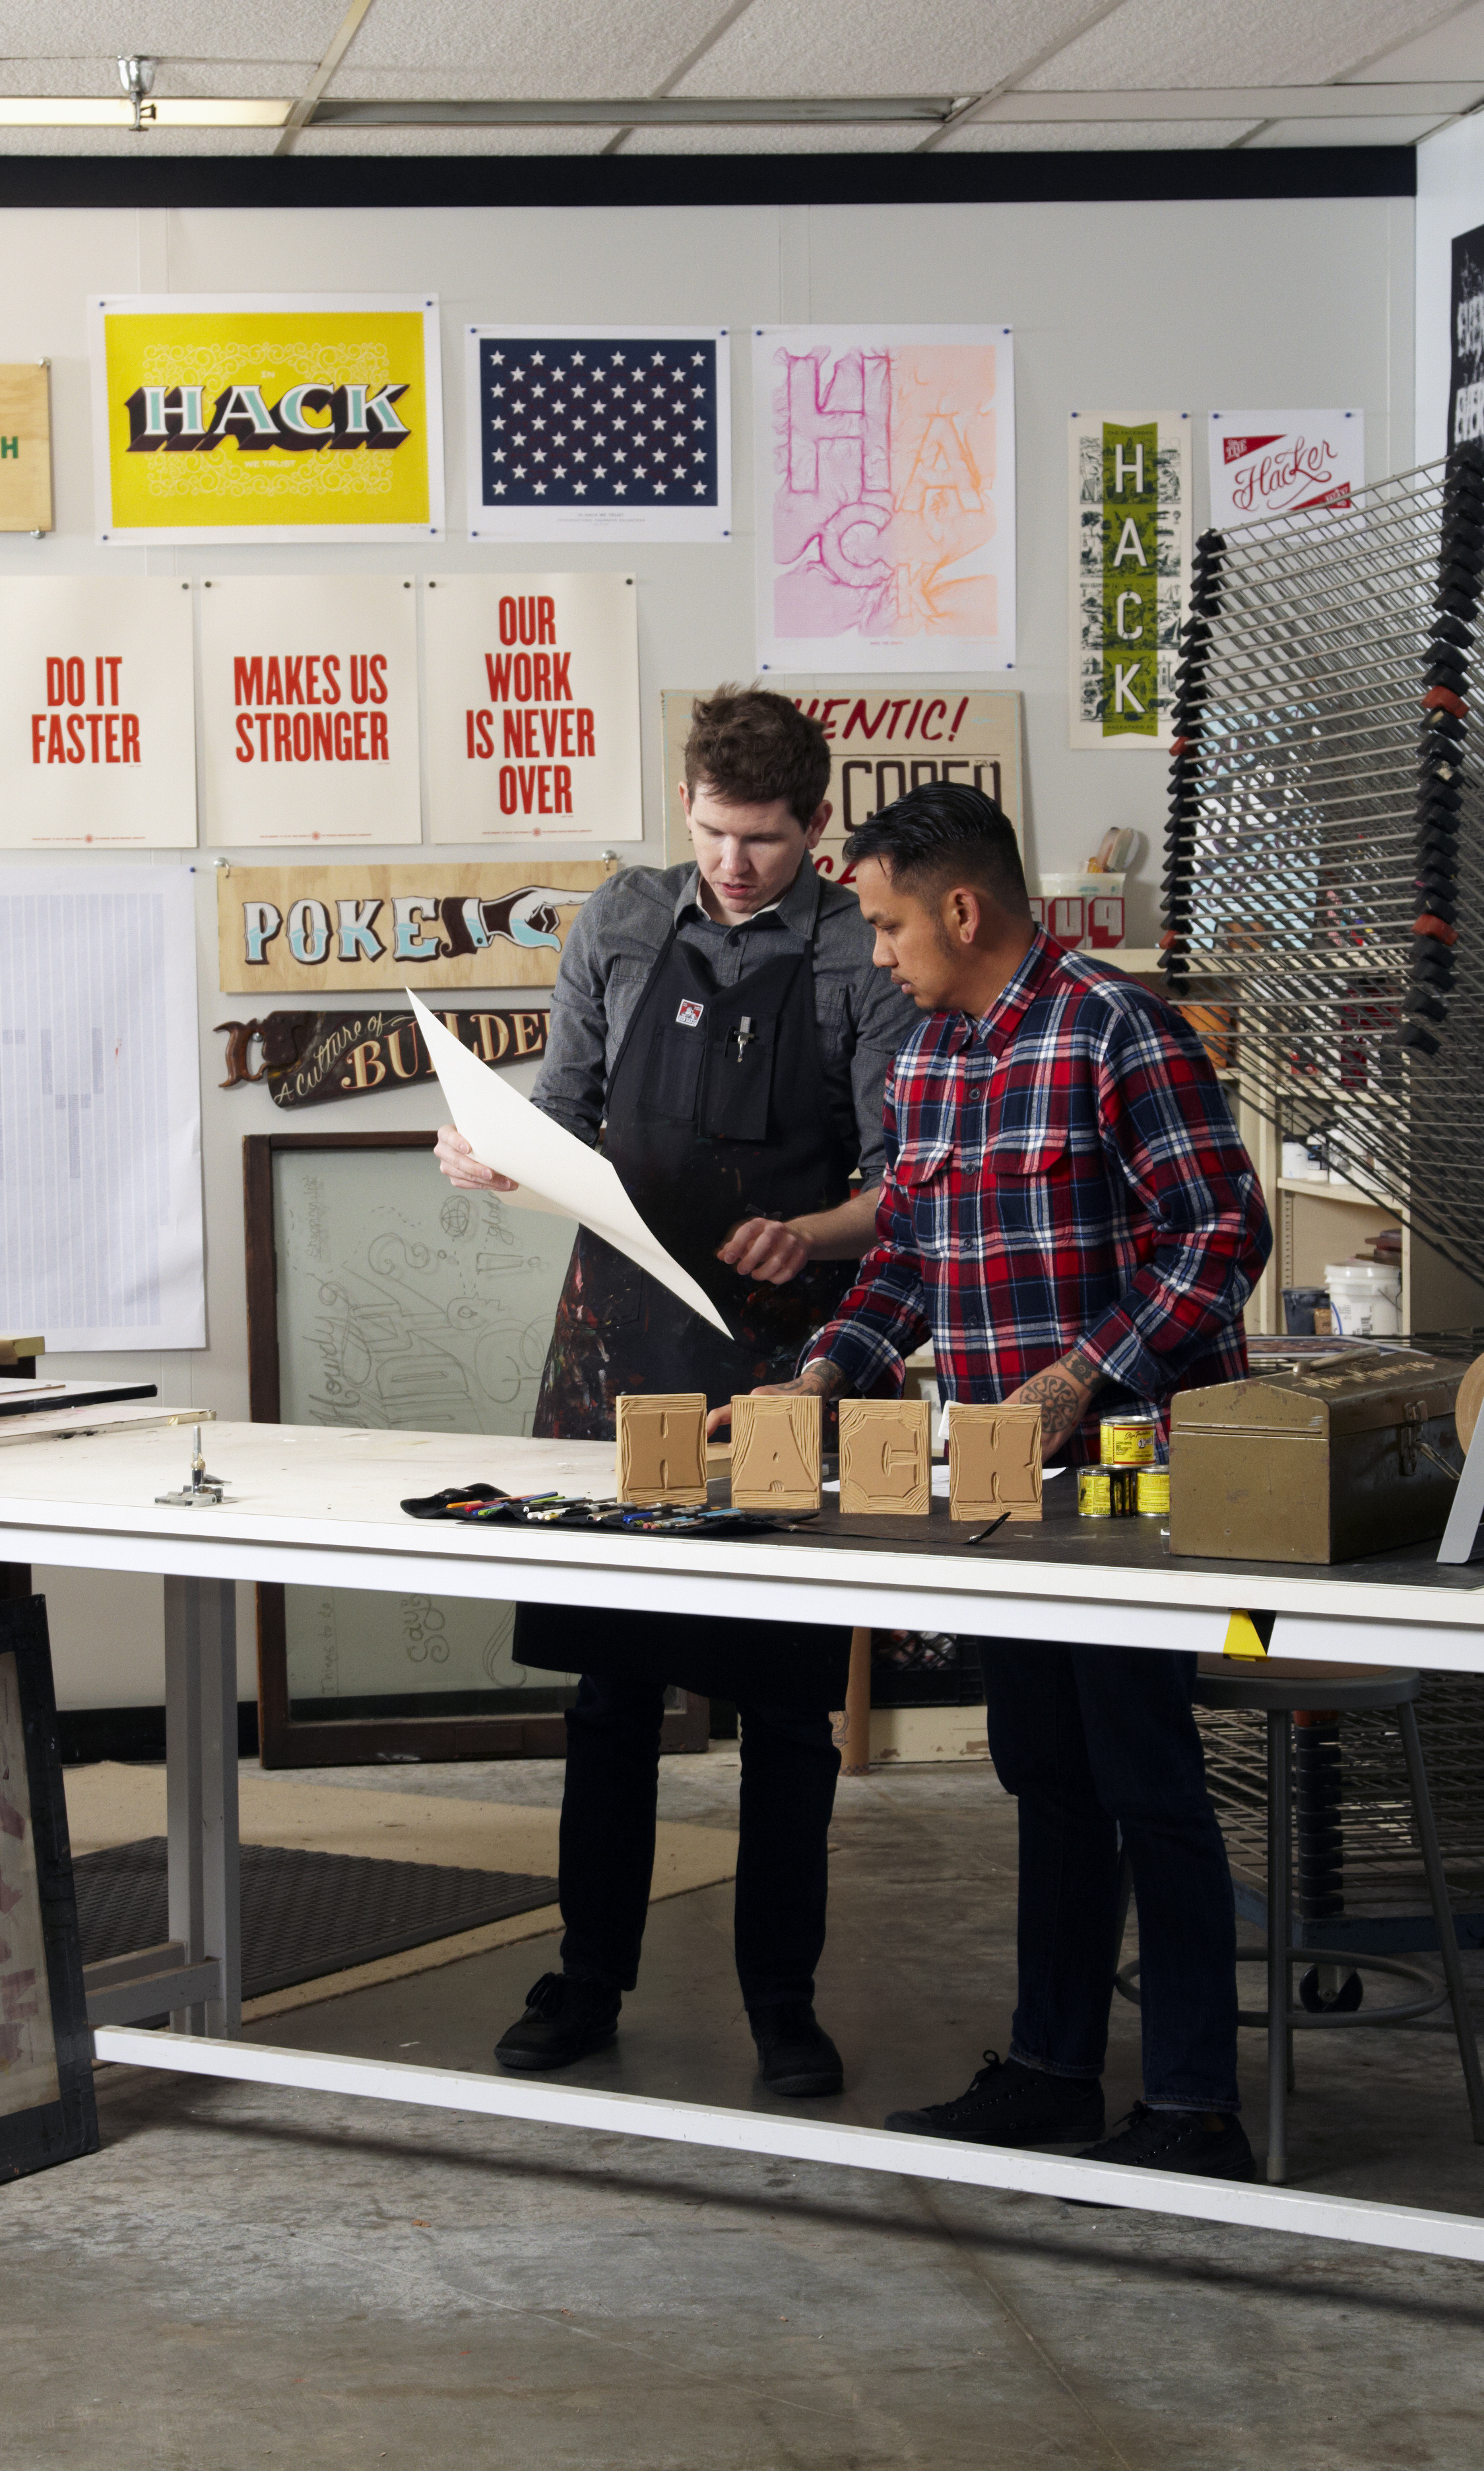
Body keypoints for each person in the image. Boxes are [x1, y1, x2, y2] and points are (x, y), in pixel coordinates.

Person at [759, 779, 1274, 2182]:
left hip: (1135, 1488)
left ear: (962, 909)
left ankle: (1191, 2105)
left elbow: (1223, 1231)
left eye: (883, 924)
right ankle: (1051, 2071)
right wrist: (826, 1370)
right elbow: (911, 1262)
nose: (876, 953)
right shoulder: (929, 1062)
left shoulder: (1117, 1031)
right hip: (1003, 1496)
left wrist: (1084, 1373)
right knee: (1046, 1775)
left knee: (1148, 1781)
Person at [434, 687, 916, 2097]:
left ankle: (783, 1998)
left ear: (815, 827)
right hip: (618, 1343)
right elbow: (570, 1111)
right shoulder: (624, 922)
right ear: (685, 805)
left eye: (764, 840)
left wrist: (811, 1235)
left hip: (795, 1354)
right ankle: (588, 1981)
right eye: (712, 832)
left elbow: (906, 1184)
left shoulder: (858, 954)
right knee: (610, 1688)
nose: (734, 865)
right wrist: (499, 1156)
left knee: (785, 1704)